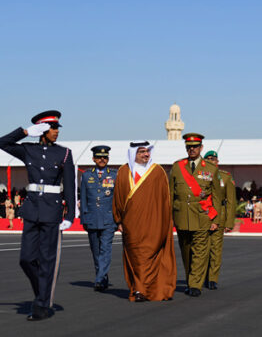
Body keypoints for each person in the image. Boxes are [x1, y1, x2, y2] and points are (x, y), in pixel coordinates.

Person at [0, 110, 75, 321]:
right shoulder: (28, 150)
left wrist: (70, 214)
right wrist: (24, 132)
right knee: (26, 259)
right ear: (42, 130)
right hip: (32, 209)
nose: (56, 132)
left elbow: (70, 185)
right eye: (53, 128)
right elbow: (2, 143)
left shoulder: (64, 153)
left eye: (57, 128)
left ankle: (41, 304)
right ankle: (42, 291)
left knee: (47, 260)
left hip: (52, 211)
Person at [112, 141, 176, 302]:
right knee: (136, 256)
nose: (146, 154)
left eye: (147, 151)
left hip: (154, 224)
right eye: (141, 152)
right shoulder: (123, 171)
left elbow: (165, 200)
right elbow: (118, 198)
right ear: (134, 153)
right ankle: (139, 289)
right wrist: (118, 220)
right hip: (131, 224)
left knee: (150, 254)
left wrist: (166, 223)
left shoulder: (158, 172)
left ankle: (145, 290)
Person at [169, 133, 220, 297]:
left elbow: (216, 197)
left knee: (200, 251)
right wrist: (169, 217)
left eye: (195, 146)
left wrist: (216, 219)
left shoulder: (210, 169)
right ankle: (191, 278)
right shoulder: (177, 167)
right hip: (182, 216)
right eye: (189, 147)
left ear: (201, 148)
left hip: (202, 215)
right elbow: (170, 194)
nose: (192, 149)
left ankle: (195, 284)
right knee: (186, 251)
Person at [80, 145, 117, 292]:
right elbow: (83, 198)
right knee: (95, 250)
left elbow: (117, 198)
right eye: (99, 157)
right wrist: (83, 218)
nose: (102, 159)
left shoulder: (114, 175)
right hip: (92, 217)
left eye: (105, 157)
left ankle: (100, 278)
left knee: (105, 249)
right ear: (93, 159)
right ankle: (102, 275)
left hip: (108, 218)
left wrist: (118, 219)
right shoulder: (86, 175)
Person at [203, 150, 237, 290]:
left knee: (215, 250)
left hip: (219, 216)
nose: (212, 161)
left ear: (218, 162)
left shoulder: (225, 177)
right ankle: (199, 277)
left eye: (214, 159)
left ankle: (212, 278)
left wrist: (229, 222)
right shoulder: (200, 176)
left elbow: (231, 201)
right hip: (202, 215)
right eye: (209, 159)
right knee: (200, 249)